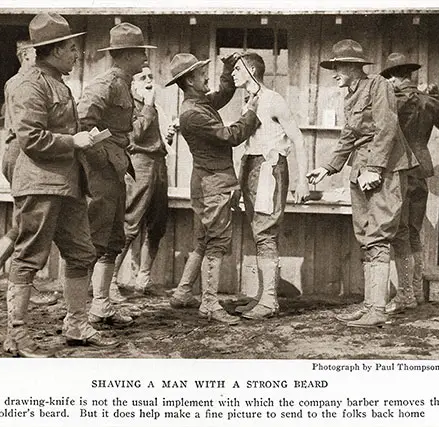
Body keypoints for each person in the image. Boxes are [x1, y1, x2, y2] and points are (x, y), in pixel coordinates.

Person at [5, 12, 118, 357]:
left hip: (67, 184)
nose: (76, 53)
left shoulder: (56, 81)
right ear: (54, 51)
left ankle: (76, 324)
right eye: (71, 48)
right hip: (39, 184)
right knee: (29, 257)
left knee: (82, 253)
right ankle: (16, 334)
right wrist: (76, 142)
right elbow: (31, 139)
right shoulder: (30, 84)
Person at [307, 39, 418, 328]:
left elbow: (387, 127)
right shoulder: (351, 96)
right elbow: (349, 136)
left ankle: (377, 311)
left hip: (384, 170)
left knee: (379, 234)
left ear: (354, 67)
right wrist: (327, 167)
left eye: (338, 66)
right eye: (333, 66)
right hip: (361, 170)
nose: (334, 72)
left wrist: (375, 169)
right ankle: (370, 304)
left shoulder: (378, 86)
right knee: (365, 234)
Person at [167, 53, 261, 324]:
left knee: (203, 238)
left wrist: (227, 67)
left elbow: (224, 93)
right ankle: (209, 303)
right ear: (189, 81)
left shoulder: (199, 103)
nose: (205, 77)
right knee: (217, 241)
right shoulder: (193, 114)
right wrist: (252, 111)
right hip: (213, 184)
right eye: (200, 74)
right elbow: (231, 136)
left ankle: (184, 292)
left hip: (207, 182)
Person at [77, 23, 156, 326]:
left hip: (116, 169)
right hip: (101, 173)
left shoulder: (124, 84)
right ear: (125, 55)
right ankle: (78, 311)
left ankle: (101, 306)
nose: (144, 61)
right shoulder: (106, 84)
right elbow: (83, 124)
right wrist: (102, 157)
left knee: (112, 239)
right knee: (95, 240)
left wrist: (113, 157)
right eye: (140, 54)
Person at [0, 41, 58, 306]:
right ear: (26, 55)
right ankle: (18, 290)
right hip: (21, 152)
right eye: (37, 53)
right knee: (29, 224)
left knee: (22, 225)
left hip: (18, 151)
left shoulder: (27, 81)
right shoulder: (24, 83)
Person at [231, 53, 310, 319]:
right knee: (258, 232)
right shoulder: (249, 102)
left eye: (237, 69)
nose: (232, 74)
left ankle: (270, 301)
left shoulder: (274, 100)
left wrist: (302, 181)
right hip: (251, 168)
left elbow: (298, 140)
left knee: (266, 232)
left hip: (270, 170)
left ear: (252, 70)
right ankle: (262, 296)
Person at [379, 52, 439, 313]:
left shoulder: (390, 99)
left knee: (400, 232)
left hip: (399, 170)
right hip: (421, 170)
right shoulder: (428, 100)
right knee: (413, 232)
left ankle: (404, 295)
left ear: (392, 77)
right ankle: (417, 292)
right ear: (409, 75)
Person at [112, 66, 177, 294]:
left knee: (157, 224)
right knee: (130, 224)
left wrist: (165, 136)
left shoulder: (155, 107)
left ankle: (143, 280)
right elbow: (133, 136)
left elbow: (153, 136)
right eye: (143, 77)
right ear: (133, 84)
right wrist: (148, 107)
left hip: (159, 165)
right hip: (139, 166)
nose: (150, 80)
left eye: (151, 76)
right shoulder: (129, 107)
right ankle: (109, 282)